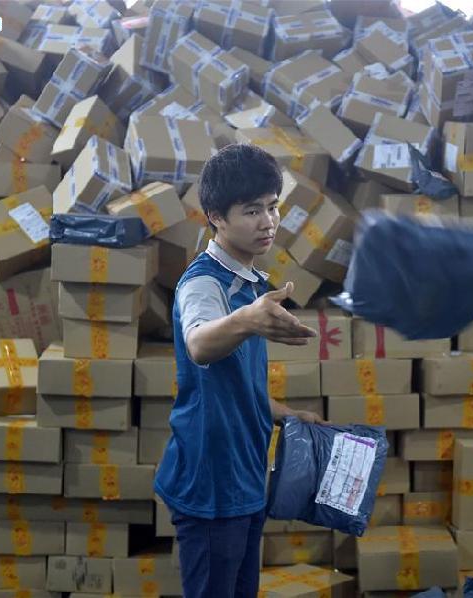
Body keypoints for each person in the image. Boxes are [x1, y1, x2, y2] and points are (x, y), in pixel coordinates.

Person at [154, 144, 327, 598]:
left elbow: (234, 383)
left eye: (273, 207)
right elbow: (199, 344)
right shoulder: (204, 282)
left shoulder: (250, 284)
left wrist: (286, 414)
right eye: (252, 211)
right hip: (213, 482)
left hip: (245, 473)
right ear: (216, 216)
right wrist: (246, 320)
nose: (268, 221)